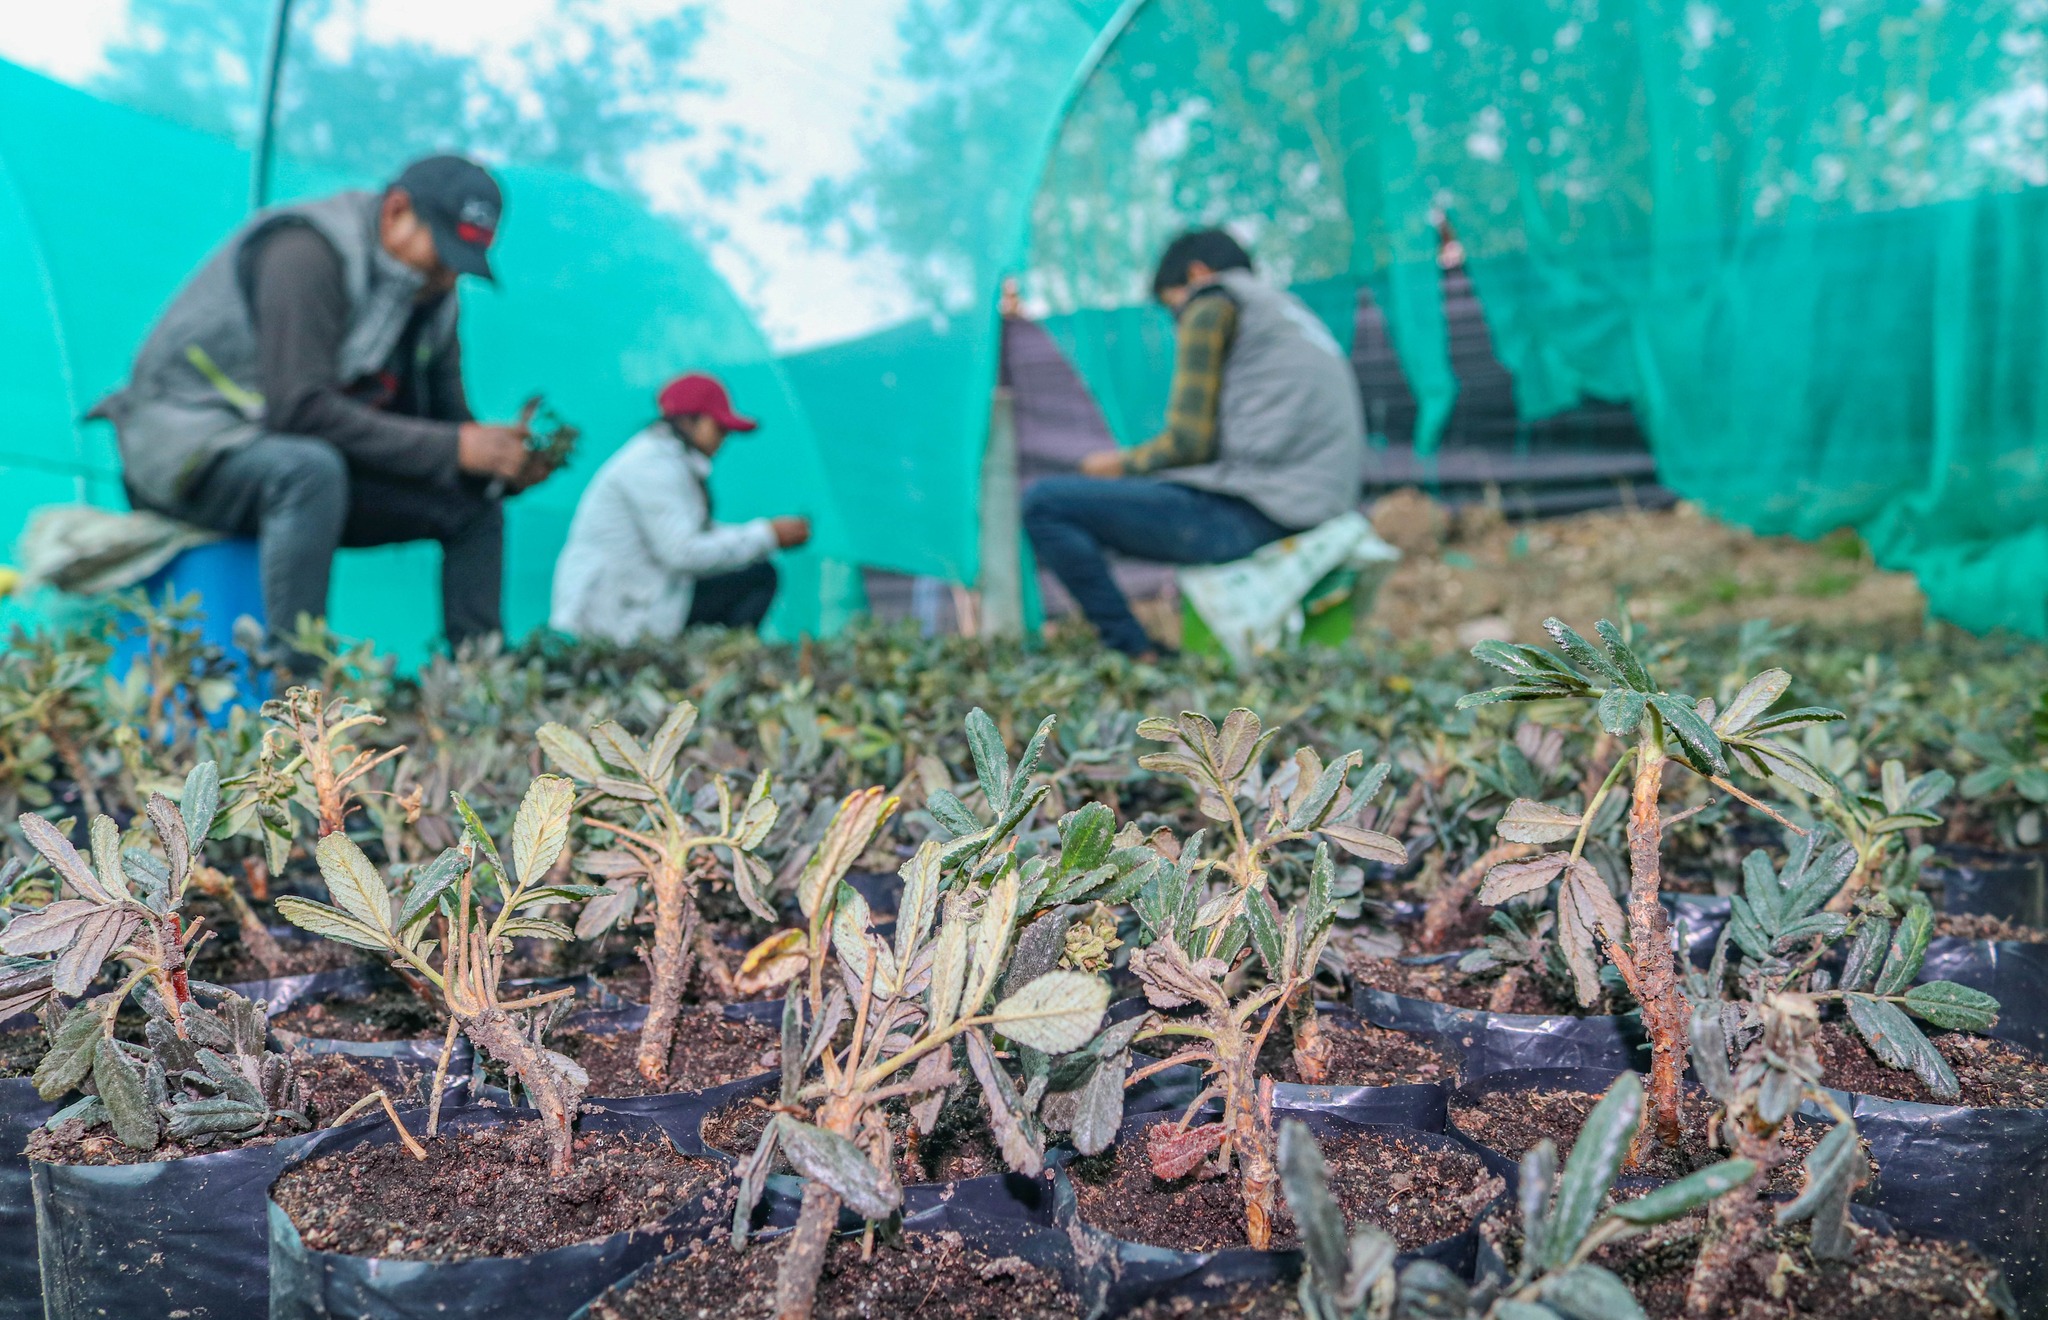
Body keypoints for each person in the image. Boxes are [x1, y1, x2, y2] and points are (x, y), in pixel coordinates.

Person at [94, 155, 547, 656]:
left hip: (299, 462)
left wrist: (499, 464)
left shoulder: (433, 297)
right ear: (396, 210)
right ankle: (301, 693)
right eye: (442, 252)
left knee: (474, 506)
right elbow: (299, 409)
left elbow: (449, 430)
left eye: (461, 262)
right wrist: (456, 447)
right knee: (310, 470)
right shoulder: (307, 252)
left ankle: (483, 685)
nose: (446, 275)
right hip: (188, 450)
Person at [1022, 229, 1367, 657]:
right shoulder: (1290, 313)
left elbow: (1189, 442)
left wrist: (1116, 465)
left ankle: (1136, 651)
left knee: (1046, 504)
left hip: (1262, 510)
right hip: (1321, 503)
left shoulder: (1212, 299)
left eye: (1172, 307)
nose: (1178, 319)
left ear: (1197, 273)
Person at [549, 373, 810, 643]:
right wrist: (766, 535)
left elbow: (698, 534)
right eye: (718, 428)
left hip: (639, 600)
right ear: (688, 421)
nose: (723, 440)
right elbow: (683, 552)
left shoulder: (672, 462)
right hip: (612, 617)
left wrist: (764, 536)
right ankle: (720, 660)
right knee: (758, 577)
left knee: (754, 569)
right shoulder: (652, 466)